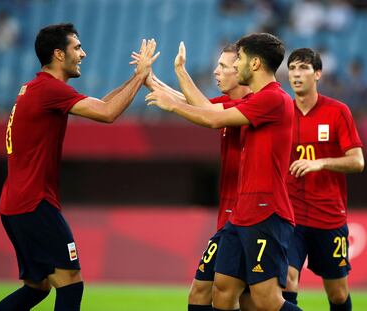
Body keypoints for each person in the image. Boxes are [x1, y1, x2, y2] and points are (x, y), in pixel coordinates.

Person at [0, 23, 159, 311]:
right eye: (77, 48)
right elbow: (108, 113)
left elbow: (101, 104)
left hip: (16, 203)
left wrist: (136, 78)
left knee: (37, 287)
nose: (83, 54)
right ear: (59, 54)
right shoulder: (49, 90)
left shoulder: (38, 89)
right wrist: (140, 77)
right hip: (35, 203)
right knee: (71, 282)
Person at [146, 33, 301, 311]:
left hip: (266, 211)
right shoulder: (255, 101)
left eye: (238, 59)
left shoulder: (274, 99)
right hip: (241, 213)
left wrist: (173, 105)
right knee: (221, 290)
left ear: (254, 64)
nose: (231, 66)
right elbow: (208, 109)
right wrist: (166, 77)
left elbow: (213, 118)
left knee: (265, 301)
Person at [141, 42, 252, 311]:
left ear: (242, 71)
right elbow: (190, 103)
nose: (215, 72)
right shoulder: (227, 104)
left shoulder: (251, 105)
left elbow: (207, 115)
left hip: (249, 219)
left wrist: (180, 70)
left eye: (223, 66)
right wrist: (148, 79)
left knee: (245, 299)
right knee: (206, 293)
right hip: (229, 219)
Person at [283, 48, 364, 311]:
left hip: (328, 216)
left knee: (338, 294)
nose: (296, 74)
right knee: (287, 280)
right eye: (292, 68)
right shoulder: (281, 113)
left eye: (303, 68)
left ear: (317, 74)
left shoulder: (337, 111)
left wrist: (321, 163)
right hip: (291, 216)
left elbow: (357, 161)